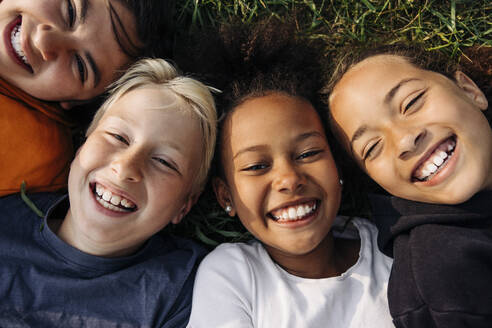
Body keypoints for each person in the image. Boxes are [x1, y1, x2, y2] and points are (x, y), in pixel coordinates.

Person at [186, 20, 394, 328]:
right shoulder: (234, 275)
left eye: (308, 154)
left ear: (337, 166)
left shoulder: (390, 246)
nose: (289, 179)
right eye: (257, 166)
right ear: (225, 196)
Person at [0, 58, 217, 327]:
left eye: (164, 162)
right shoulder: (5, 223)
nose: (126, 167)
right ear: (82, 147)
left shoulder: (181, 290)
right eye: (118, 137)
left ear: (183, 206)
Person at [325, 44, 492, 327]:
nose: (404, 140)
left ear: (468, 90)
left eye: (412, 103)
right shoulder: (444, 280)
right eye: (372, 148)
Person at [0, 0, 176, 197]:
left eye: (80, 67)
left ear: (74, 102)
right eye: (70, 11)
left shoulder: (35, 155)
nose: (43, 41)